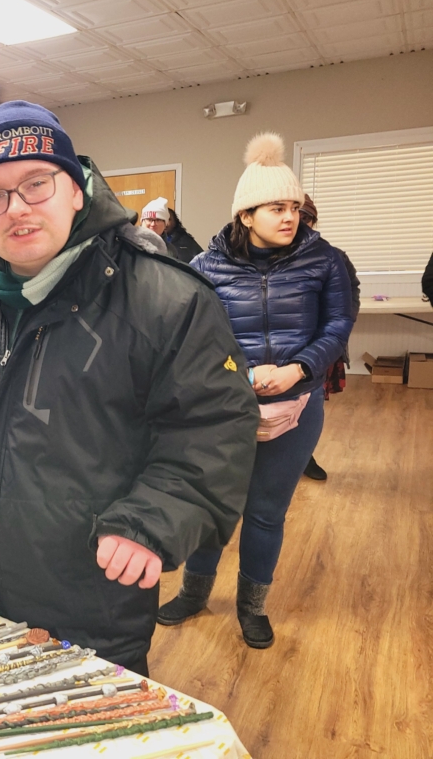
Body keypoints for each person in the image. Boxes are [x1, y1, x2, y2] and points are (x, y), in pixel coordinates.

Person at [0, 100, 260, 675]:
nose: (18, 209)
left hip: (90, 601)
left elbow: (212, 430)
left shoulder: (167, 300)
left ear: (77, 188)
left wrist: (151, 522)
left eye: (37, 184)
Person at [159, 133, 354, 648]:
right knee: (212, 507)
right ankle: (195, 594)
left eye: (293, 206)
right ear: (246, 215)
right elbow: (193, 338)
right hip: (225, 408)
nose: (289, 217)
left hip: (297, 403)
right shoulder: (207, 267)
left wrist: (296, 371)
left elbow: (337, 327)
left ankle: (251, 607)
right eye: (275, 207)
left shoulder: (325, 260)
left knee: (266, 512)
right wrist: (238, 374)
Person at [298, 193, 360, 482]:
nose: (302, 222)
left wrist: (341, 325)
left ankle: (304, 456)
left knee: (312, 403)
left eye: (308, 217)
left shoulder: (334, 256)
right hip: (282, 346)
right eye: (299, 214)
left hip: (321, 343)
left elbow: (352, 293)